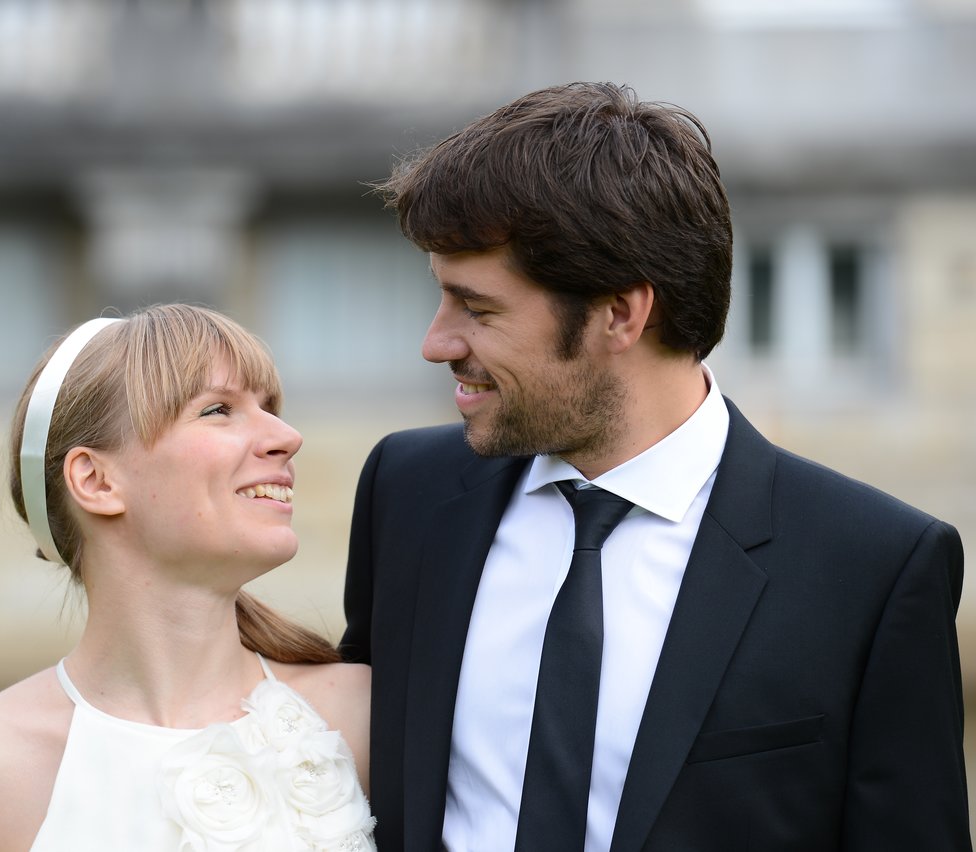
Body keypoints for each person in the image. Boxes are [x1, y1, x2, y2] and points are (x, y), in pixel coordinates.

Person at [341, 82, 969, 851]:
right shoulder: (407, 493)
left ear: (620, 314)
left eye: (479, 309)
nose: (436, 343)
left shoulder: (874, 565)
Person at [0, 304, 376, 852]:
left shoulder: (364, 718)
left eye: (269, 408)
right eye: (218, 409)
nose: (287, 437)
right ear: (96, 480)